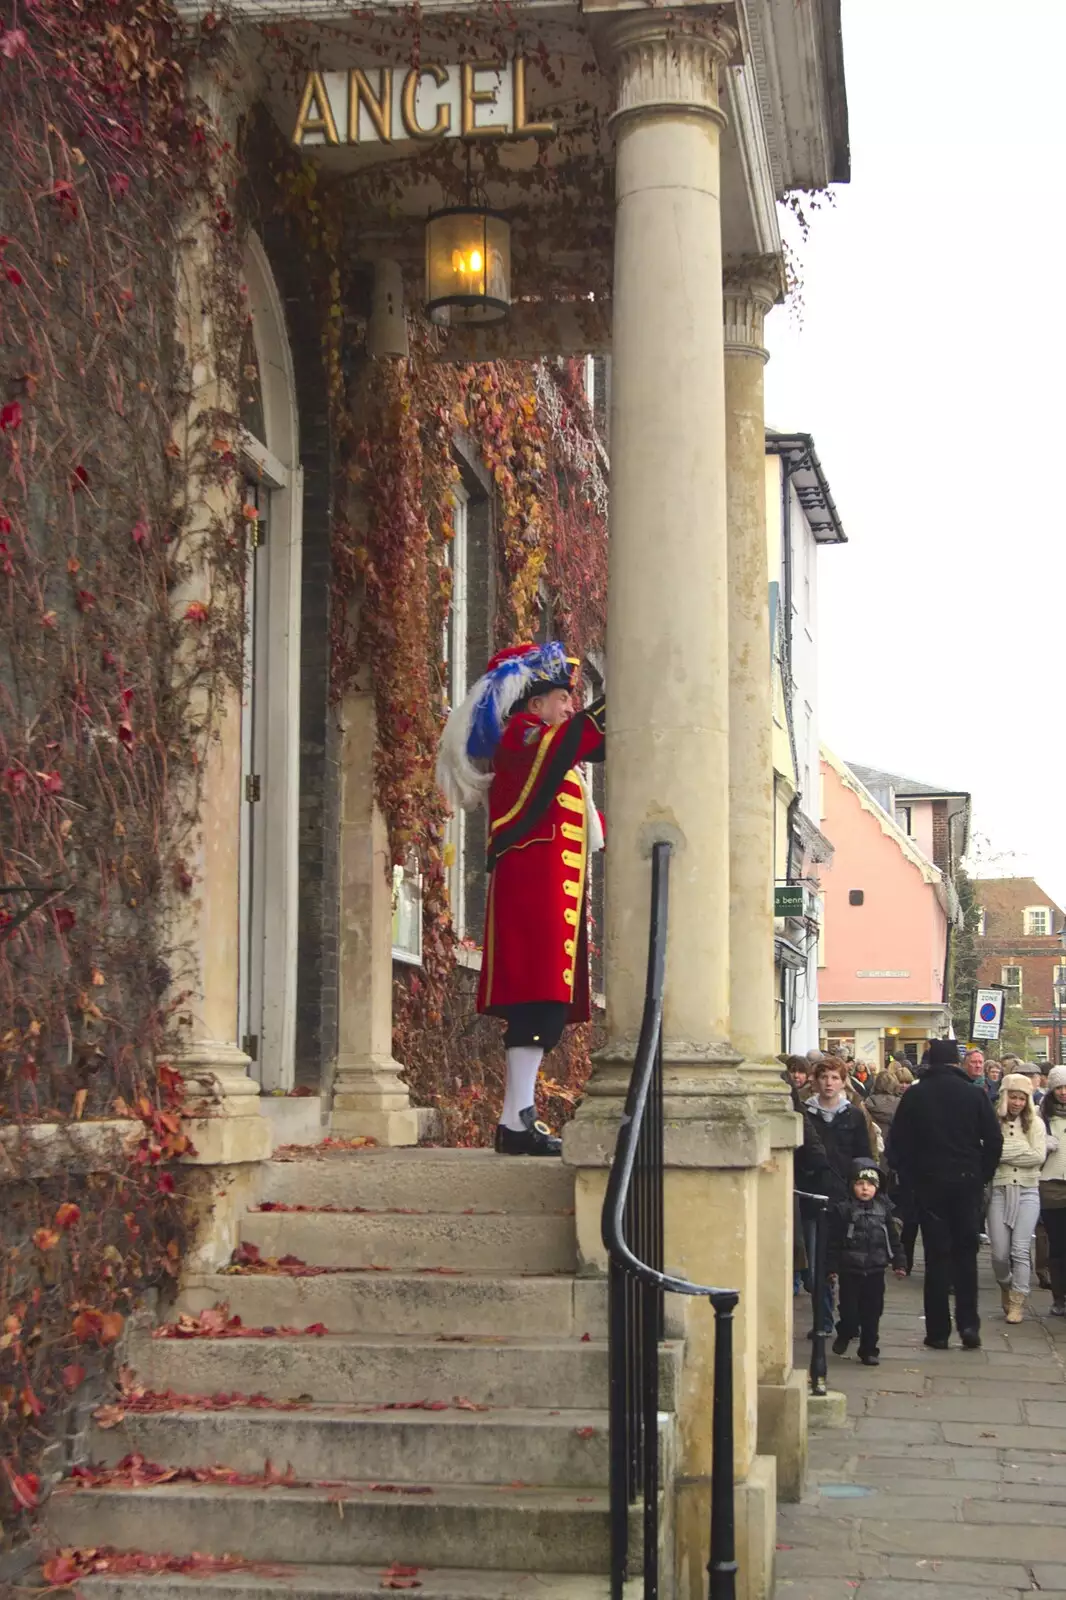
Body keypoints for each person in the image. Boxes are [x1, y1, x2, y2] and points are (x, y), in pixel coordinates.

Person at [436, 641, 605, 1156]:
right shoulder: (524, 738)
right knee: (538, 1008)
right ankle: (515, 1122)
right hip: (535, 899)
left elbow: (584, 745)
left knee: (542, 1013)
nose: (569, 706)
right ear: (533, 705)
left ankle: (516, 1120)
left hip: (551, 901)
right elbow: (571, 743)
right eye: (561, 697)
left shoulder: (540, 741)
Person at [889, 1037, 1003, 1350]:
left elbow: (896, 1144)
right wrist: (982, 1175)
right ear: (956, 1063)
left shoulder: (915, 1095)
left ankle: (938, 1331)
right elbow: (994, 1140)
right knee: (966, 1257)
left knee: (937, 1258)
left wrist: (911, 1180)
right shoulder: (974, 1095)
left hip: (929, 1185)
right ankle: (969, 1325)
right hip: (966, 1183)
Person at [803, 1059, 874, 1332]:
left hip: (846, 1195)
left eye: (834, 1077)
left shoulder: (853, 1115)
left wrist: (862, 1189)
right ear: (816, 1080)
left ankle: (850, 1318)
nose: (828, 1083)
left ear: (843, 1081)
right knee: (818, 1262)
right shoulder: (806, 1113)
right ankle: (822, 1319)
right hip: (814, 1194)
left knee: (849, 1261)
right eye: (824, 1077)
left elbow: (863, 1156)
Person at [828, 1159, 907, 1365]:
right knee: (850, 1311)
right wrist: (832, 1267)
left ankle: (869, 1349)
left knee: (872, 1313)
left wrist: (899, 1262)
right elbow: (833, 1242)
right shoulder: (843, 1210)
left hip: (875, 1269)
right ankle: (846, 1331)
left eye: (870, 1185)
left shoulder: (884, 1210)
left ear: (877, 1187)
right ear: (851, 1185)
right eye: (860, 1184)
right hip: (850, 1270)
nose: (865, 1189)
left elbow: (893, 1238)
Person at [988, 1073, 1047, 1322]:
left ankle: (1017, 1300)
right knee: (1000, 1253)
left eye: (1022, 1098)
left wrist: (1004, 1152)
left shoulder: (1036, 1124)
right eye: (1013, 1097)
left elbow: (1037, 1156)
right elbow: (989, 1152)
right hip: (1000, 1189)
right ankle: (1006, 1284)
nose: (1017, 1103)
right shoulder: (993, 1121)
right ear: (1004, 1096)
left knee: (1020, 1249)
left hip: (1027, 1190)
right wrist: (1017, 1151)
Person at [1039, 1066, 1066, 1316]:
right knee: (1057, 1244)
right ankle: (1059, 1297)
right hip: (1051, 1185)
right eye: (1059, 1087)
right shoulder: (1043, 1115)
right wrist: (1043, 1144)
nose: (1063, 1092)